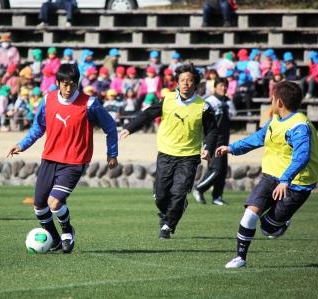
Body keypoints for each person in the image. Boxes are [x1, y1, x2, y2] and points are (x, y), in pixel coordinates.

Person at [7, 63, 118, 253]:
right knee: (39, 206)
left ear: (78, 83)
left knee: (54, 202)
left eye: (73, 84)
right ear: (57, 82)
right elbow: (38, 127)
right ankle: (56, 240)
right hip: (50, 158)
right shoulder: (48, 100)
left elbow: (110, 127)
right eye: (64, 84)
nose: (68, 88)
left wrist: (112, 153)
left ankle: (67, 231)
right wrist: (22, 145)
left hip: (75, 161)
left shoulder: (90, 104)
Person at [216, 81, 318, 269]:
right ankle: (240, 258)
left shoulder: (298, 127)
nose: (271, 101)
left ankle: (279, 223)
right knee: (249, 214)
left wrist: (286, 180)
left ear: (278, 102)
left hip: (297, 183)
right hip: (272, 176)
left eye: (272, 98)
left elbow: (301, 157)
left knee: (268, 228)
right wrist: (231, 148)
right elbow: (258, 138)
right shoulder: (276, 121)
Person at [119, 63, 217, 239]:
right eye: (182, 80)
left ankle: (167, 225)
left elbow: (212, 130)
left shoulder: (204, 106)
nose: (186, 83)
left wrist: (207, 147)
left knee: (178, 193)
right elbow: (148, 114)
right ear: (177, 83)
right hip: (165, 153)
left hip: (189, 156)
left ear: (195, 83)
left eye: (190, 80)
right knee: (161, 196)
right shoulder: (168, 100)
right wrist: (129, 128)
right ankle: (171, 212)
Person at [193, 78, 236, 205]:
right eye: (222, 85)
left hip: (224, 140)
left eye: (226, 86)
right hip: (214, 140)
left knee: (222, 171)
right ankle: (199, 188)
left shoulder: (228, 102)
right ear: (215, 87)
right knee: (216, 169)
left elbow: (232, 115)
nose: (224, 88)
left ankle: (217, 197)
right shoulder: (209, 102)